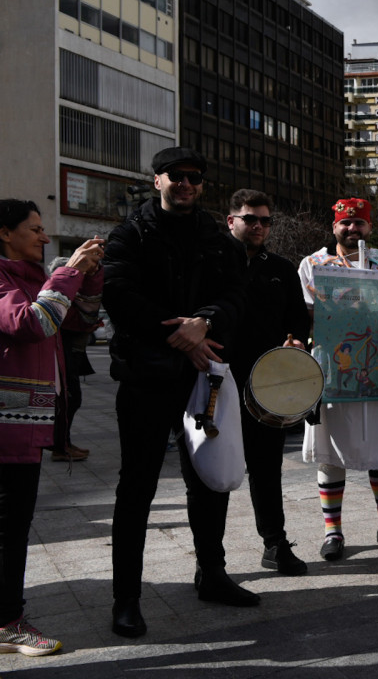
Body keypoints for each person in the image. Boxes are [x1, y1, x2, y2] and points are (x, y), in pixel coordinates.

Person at [104, 147, 250, 639]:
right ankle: (126, 598)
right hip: (146, 378)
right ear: (156, 181)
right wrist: (181, 335)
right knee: (137, 488)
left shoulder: (217, 238)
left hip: (201, 377)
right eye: (177, 176)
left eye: (195, 178)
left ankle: (212, 574)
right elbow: (120, 296)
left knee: (207, 482)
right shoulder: (129, 234)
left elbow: (236, 296)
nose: (186, 184)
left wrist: (204, 322)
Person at [0, 199, 104, 656]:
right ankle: (7, 624)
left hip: (25, 428)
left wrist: (89, 273)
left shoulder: (31, 278)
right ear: (5, 233)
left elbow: (77, 318)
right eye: (35, 229)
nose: (45, 238)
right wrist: (68, 272)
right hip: (6, 430)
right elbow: (34, 322)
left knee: (13, 526)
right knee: (8, 529)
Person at [298, 197, 378, 561]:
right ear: (334, 226)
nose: (352, 229)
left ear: (370, 226)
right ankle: (333, 531)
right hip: (335, 369)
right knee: (331, 452)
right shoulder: (313, 264)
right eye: (345, 224)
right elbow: (307, 313)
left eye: (359, 223)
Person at [224, 189, 312, 576]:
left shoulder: (281, 267)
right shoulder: (213, 262)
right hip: (218, 380)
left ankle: (275, 543)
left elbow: (298, 319)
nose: (259, 226)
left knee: (265, 467)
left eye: (265, 220)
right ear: (231, 221)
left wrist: (295, 338)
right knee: (214, 472)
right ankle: (211, 561)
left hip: (267, 385)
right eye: (250, 218)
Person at [47, 256, 93, 463]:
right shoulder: (58, 295)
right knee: (69, 400)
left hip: (69, 355)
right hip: (61, 357)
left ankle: (63, 442)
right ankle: (60, 445)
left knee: (71, 400)